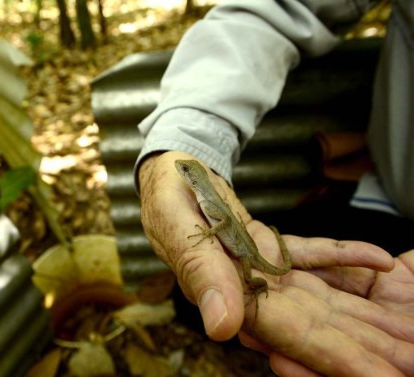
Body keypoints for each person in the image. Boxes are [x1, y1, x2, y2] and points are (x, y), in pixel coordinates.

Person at [135, 1, 414, 376]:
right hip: (389, 195)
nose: (185, 171)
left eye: (187, 169)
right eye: (188, 170)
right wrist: (180, 141)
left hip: (276, 244)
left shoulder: (209, 202)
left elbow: (218, 222)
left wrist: (209, 232)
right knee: (193, 298)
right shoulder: (203, 192)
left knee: (249, 283)